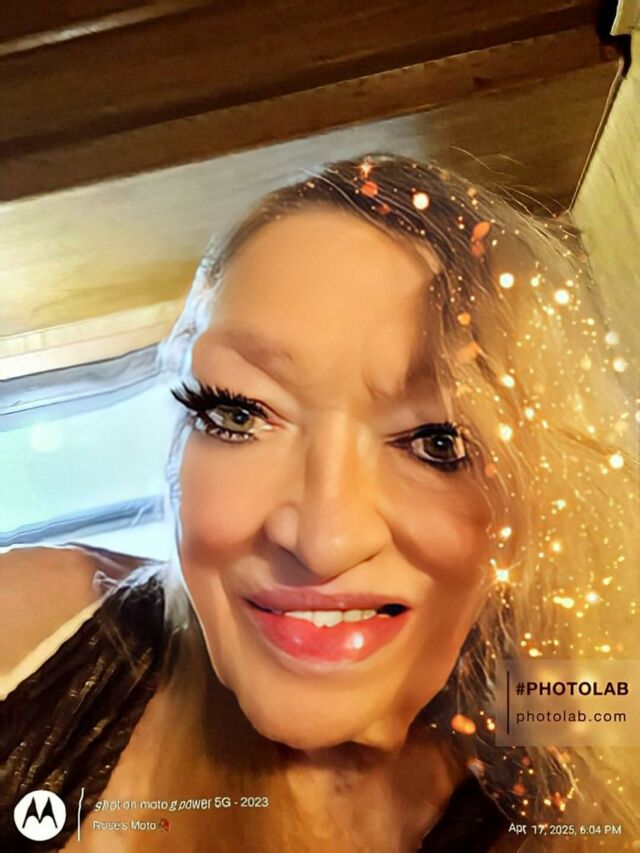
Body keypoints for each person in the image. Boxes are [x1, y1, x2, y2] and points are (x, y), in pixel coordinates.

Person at [0, 154, 637, 852]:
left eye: (439, 441)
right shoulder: (33, 630)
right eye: (240, 413)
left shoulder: (568, 744)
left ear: (531, 495)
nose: (323, 542)